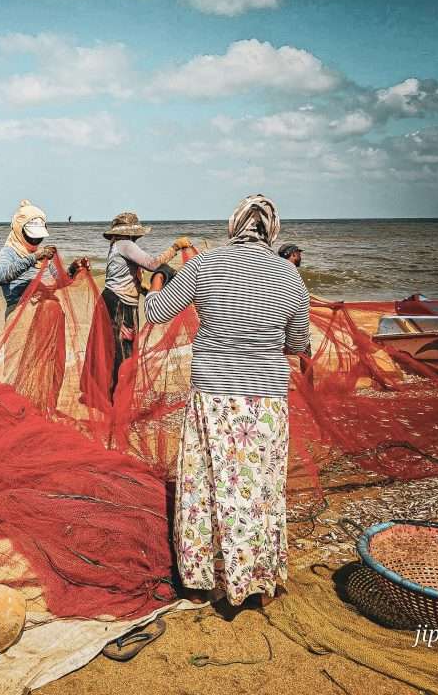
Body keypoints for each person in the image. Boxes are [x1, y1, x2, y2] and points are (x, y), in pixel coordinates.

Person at [144, 194, 309, 608]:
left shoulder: (205, 265)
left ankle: (199, 582)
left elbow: (156, 312)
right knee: (259, 489)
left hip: (213, 396)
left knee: (203, 485)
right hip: (267, 400)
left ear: (233, 226)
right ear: (271, 230)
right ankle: (256, 580)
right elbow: (297, 344)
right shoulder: (291, 279)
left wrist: (158, 279)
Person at [101, 212, 191, 392]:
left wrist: (146, 289)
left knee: (121, 352)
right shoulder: (125, 244)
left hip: (116, 302)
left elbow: (128, 279)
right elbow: (153, 264)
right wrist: (175, 247)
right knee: (124, 354)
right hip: (119, 305)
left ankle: (116, 397)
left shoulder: (117, 245)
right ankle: (118, 401)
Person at [0, 200, 87, 319]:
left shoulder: (44, 254)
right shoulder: (10, 251)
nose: (34, 241)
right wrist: (34, 258)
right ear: (18, 229)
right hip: (18, 312)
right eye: (31, 236)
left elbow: (60, 281)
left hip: (44, 312)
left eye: (38, 237)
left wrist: (73, 270)